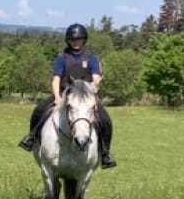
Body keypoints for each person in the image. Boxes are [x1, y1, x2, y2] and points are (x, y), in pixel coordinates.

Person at [17, 23, 116, 169]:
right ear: (68, 41)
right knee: (39, 110)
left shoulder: (92, 58)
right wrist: (57, 97)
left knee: (106, 120)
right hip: (65, 94)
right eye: (72, 39)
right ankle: (31, 137)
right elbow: (56, 79)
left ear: (84, 40)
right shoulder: (62, 58)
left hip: (86, 96)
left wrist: (95, 86)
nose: (76, 42)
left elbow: (95, 77)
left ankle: (105, 154)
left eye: (79, 39)